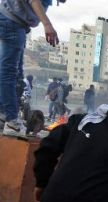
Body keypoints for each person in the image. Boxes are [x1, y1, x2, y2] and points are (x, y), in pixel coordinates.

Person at [0, 0, 60, 136]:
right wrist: (47, 24)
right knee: (9, 74)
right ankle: (11, 121)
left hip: (14, 23)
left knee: (16, 76)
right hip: (12, 22)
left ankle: (4, 115)